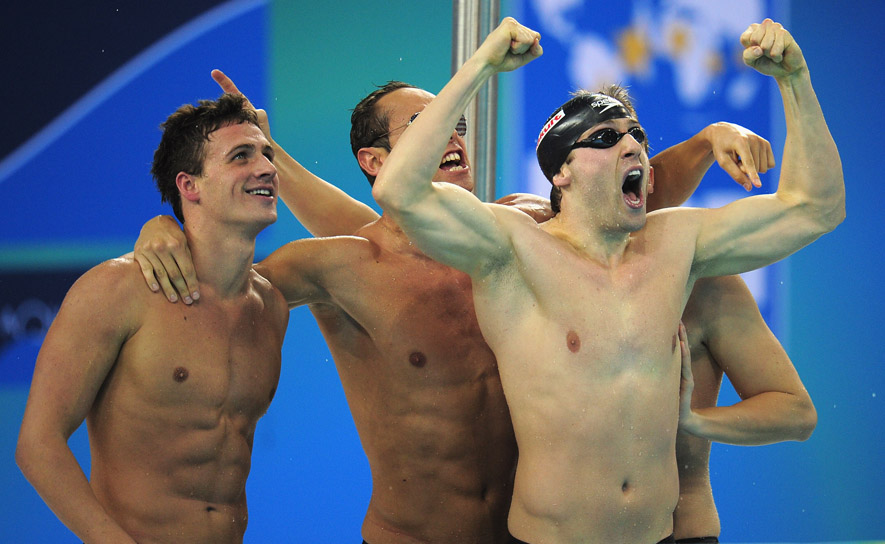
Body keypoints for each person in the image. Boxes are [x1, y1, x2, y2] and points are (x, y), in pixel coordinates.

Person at [134, 57, 777, 544]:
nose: (452, 132)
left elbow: (629, 200)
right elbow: (224, 283)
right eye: (424, 122)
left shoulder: (524, 233)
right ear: (378, 156)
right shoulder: (340, 265)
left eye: (456, 119)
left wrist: (707, 138)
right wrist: (166, 227)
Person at [372, 17, 843, 544]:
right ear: (561, 173)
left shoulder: (677, 243)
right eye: (606, 138)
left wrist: (795, 80)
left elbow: (815, 208)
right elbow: (399, 191)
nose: (634, 147)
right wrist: (481, 65)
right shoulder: (512, 250)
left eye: (636, 136)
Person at [15, 94, 290, 544]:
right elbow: (38, 445)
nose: (266, 168)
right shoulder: (119, 290)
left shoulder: (272, 306)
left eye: (267, 155)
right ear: (189, 186)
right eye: (242, 156)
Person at [673, 275, 817, 543]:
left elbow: (796, 412)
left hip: (682, 530)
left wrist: (693, 421)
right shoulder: (574, 284)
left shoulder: (705, 287)